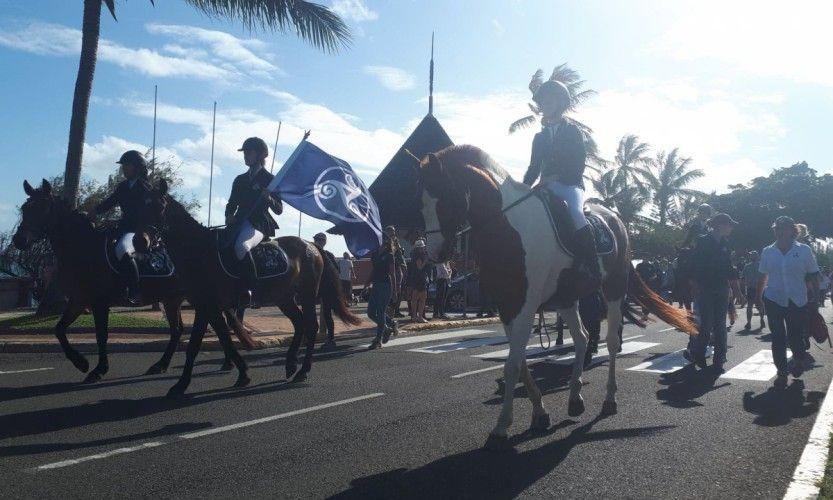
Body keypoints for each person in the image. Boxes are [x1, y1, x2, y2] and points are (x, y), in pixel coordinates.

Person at [521, 80, 599, 293]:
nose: (546, 103)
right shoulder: (539, 137)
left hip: (570, 185)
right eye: (543, 100)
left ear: (561, 103)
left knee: (576, 214)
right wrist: (522, 189)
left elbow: (579, 164)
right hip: (545, 187)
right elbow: (533, 168)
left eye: (551, 99)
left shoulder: (573, 131)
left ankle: (591, 267)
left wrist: (557, 176)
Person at [756, 216, 820, 388]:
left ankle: (798, 359)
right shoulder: (768, 251)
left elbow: (814, 275)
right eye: (777, 228)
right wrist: (758, 297)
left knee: (795, 335)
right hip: (773, 299)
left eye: (784, 228)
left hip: (797, 300)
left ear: (793, 230)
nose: (780, 231)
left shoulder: (804, 250)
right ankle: (782, 372)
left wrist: (816, 299)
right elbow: (763, 275)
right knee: (777, 337)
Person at [89, 150, 154, 305]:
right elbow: (109, 202)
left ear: (137, 167)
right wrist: (94, 211)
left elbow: (143, 215)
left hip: (138, 231)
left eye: (127, 165)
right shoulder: (123, 187)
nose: (123, 168)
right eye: (123, 165)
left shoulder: (146, 188)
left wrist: (118, 222)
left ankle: (134, 291)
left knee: (122, 250)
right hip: (123, 228)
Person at [225, 137, 283, 308]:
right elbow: (231, 204)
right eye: (245, 153)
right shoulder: (239, 179)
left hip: (259, 224)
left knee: (241, 247)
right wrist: (229, 215)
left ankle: (253, 290)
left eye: (249, 152)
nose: (245, 156)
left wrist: (269, 198)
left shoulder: (270, 179)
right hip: (238, 223)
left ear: (260, 155)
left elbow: (279, 209)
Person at [686, 213, 741, 372]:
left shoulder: (726, 243)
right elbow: (694, 264)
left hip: (722, 287)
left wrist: (736, 290)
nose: (731, 228)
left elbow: (729, 268)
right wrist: (694, 284)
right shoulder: (703, 241)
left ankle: (720, 358)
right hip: (705, 288)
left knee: (720, 325)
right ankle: (699, 354)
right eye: (729, 224)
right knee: (706, 324)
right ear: (720, 225)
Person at [365, 233, 397, 349]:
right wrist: (367, 282)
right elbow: (374, 270)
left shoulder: (389, 256)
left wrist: (395, 291)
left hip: (385, 285)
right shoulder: (375, 254)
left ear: (385, 242)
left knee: (380, 312)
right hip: (376, 285)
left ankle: (378, 340)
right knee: (371, 313)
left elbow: (392, 274)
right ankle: (389, 325)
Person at [313, 233, 337, 349]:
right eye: (316, 240)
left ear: (324, 242)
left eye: (319, 240)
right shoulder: (312, 254)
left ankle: (331, 339)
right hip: (314, 288)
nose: (317, 242)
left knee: (327, 314)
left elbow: (336, 270)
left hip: (327, 288)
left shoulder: (328, 255)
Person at [741, 251, 766, 330]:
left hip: (750, 288)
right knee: (760, 305)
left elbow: (743, 279)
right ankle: (762, 319)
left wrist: (743, 290)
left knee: (750, 306)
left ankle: (749, 322)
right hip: (760, 288)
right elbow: (765, 277)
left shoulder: (747, 266)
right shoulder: (761, 266)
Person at [408, 239, 430, 323]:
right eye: (422, 247)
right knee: (422, 298)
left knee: (415, 298)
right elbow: (420, 267)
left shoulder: (414, 255)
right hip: (420, 278)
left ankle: (414, 316)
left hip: (416, 278)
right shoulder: (419, 256)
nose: (423, 249)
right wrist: (425, 261)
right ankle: (419, 316)